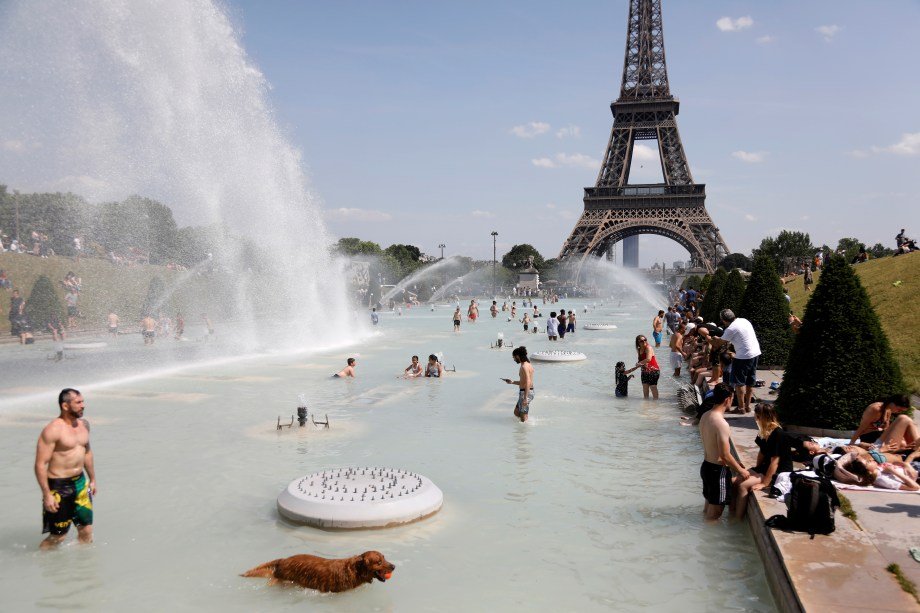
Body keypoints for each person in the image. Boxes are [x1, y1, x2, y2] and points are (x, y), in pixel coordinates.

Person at [35, 388, 96, 549]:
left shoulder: (84, 425)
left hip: (81, 483)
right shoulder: (53, 430)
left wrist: (93, 479)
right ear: (65, 406)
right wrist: (47, 494)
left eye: (83, 401)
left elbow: (87, 452)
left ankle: (81, 568)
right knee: (58, 536)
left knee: (86, 530)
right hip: (59, 487)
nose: (83, 405)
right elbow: (40, 464)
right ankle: (43, 563)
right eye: (78, 402)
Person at [734, 404, 795, 519]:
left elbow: (775, 462)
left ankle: (738, 519)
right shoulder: (764, 431)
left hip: (779, 471)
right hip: (765, 467)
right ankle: (732, 514)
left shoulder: (778, 434)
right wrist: (755, 469)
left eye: (756, 416)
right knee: (735, 481)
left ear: (760, 416)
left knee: (743, 486)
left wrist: (764, 483)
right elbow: (762, 452)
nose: (755, 418)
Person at [698, 384, 749, 520]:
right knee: (715, 514)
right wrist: (741, 470)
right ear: (728, 399)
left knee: (708, 509)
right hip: (717, 471)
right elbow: (724, 455)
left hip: (706, 467)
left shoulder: (705, 416)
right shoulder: (721, 423)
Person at [718, 309, 761, 414]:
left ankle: (740, 408)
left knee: (739, 382)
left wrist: (710, 338)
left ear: (723, 320)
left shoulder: (730, 329)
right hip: (755, 353)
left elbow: (719, 343)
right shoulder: (743, 320)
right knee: (750, 381)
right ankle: (747, 406)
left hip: (743, 356)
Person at [502, 346, 534, 422]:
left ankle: (524, 431)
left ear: (517, 356)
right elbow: (524, 382)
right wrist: (512, 382)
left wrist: (525, 398)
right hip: (525, 391)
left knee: (523, 416)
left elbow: (528, 382)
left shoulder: (524, 367)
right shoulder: (528, 364)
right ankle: (525, 423)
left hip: (526, 392)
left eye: (514, 357)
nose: (513, 359)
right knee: (516, 412)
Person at [635, 335, 660, 399]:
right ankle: (646, 406)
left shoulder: (649, 348)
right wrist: (638, 363)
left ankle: (656, 404)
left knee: (653, 387)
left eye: (645, 340)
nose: (644, 342)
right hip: (644, 370)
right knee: (645, 388)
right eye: (641, 341)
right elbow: (640, 360)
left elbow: (648, 359)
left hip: (653, 370)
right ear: (638, 343)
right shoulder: (639, 349)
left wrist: (639, 363)